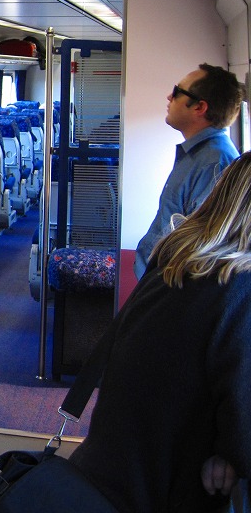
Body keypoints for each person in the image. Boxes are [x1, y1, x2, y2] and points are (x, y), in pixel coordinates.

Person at [69, 152, 251, 512]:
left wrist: (227, 452)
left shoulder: (175, 259)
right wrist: (232, 453)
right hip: (159, 491)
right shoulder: (238, 288)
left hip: (107, 470)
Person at [134, 63, 244, 278]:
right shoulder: (199, 155)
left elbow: (202, 251)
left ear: (199, 107)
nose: (169, 97)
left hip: (171, 284)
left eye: (177, 92)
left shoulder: (215, 164)